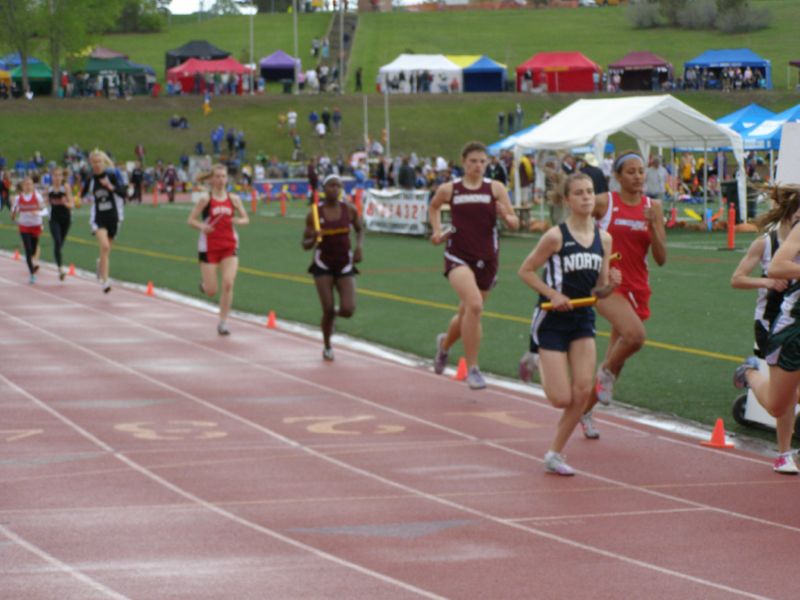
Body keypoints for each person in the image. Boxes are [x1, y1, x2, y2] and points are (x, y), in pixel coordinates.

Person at [518, 173, 620, 475]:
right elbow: (526, 271)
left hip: (582, 319)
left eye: (590, 191)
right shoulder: (555, 236)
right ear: (568, 200)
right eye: (579, 193)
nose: (587, 197)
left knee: (582, 391)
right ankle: (534, 357)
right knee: (560, 398)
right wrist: (553, 294)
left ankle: (554, 453)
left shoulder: (604, 238)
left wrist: (611, 284)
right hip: (551, 319)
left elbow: (599, 288)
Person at [578, 151, 667, 438]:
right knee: (635, 336)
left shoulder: (653, 207)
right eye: (631, 172)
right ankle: (603, 373)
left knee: (618, 362)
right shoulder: (605, 202)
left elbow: (661, 258)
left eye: (641, 171)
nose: (638, 176)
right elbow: (575, 226)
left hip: (638, 287)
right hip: (607, 284)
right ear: (617, 176)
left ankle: (584, 411)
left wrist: (653, 224)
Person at [429, 141, 520, 389]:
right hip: (458, 256)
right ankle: (473, 369)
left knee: (466, 313)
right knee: (475, 306)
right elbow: (434, 206)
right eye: (473, 161)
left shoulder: (496, 188)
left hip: (488, 258)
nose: (478, 166)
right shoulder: (451, 189)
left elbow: (515, 223)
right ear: (463, 162)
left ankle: (444, 345)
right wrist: (437, 231)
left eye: (482, 161)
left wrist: (505, 215)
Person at [732, 185, 800, 474]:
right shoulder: (767, 242)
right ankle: (748, 372)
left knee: (791, 394)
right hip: (776, 324)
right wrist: (766, 283)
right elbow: (742, 277)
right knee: (778, 404)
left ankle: (785, 453)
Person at [302, 174, 364, 361]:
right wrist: (313, 237)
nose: (335, 189)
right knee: (327, 308)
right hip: (323, 264)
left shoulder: (349, 209)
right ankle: (327, 346)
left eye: (338, 186)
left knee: (348, 309)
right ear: (323, 188)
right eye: (331, 185)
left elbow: (360, 229)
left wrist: (359, 246)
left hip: (345, 263)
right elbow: (304, 244)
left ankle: (333, 318)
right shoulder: (314, 213)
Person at [187, 164, 250, 336]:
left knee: (228, 284)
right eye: (218, 176)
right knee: (212, 290)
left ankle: (223, 322)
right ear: (212, 179)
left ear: (227, 178)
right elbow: (191, 220)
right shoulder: (205, 199)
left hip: (229, 246)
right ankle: (204, 285)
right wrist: (202, 226)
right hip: (209, 248)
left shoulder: (234, 199)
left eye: (223, 176)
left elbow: (246, 219)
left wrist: (237, 221)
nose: (221, 180)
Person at [82, 149, 126, 293]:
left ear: (103, 162)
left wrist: (110, 186)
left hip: (114, 216)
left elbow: (124, 193)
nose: (96, 164)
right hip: (98, 217)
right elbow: (82, 194)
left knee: (106, 250)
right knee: (105, 246)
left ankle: (100, 264)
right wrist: (77, 199)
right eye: (94, 162)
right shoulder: (90, 179)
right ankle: (105, 282)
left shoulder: (112, 175)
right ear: (91, 163)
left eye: (99, 161)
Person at [10, 176, 46, 284]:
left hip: (36, 226)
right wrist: (13, 215)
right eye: (26, 184)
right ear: (22, 186)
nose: (28, 186)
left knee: (34, 250)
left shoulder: (37, 196)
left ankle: (31, 263)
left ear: (33, 185)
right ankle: (32, 274)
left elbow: (45, 210)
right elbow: (14, 210)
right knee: (28, 250)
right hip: (24, 226)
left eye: (30, 184)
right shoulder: (18, 198)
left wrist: (38, 213)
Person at [47, 168, 74, 281]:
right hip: (54, 219)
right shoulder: (49, 189)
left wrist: (65, 203)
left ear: (62, 177)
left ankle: (57, 258)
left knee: (60, 244)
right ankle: (60, 269)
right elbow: (46, 203)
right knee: (57, 241)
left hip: (65, 219)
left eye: (59, 175)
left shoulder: (66, 187)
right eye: (55, 175)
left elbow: (71, 204)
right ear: (52, 177)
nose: (57, 178)